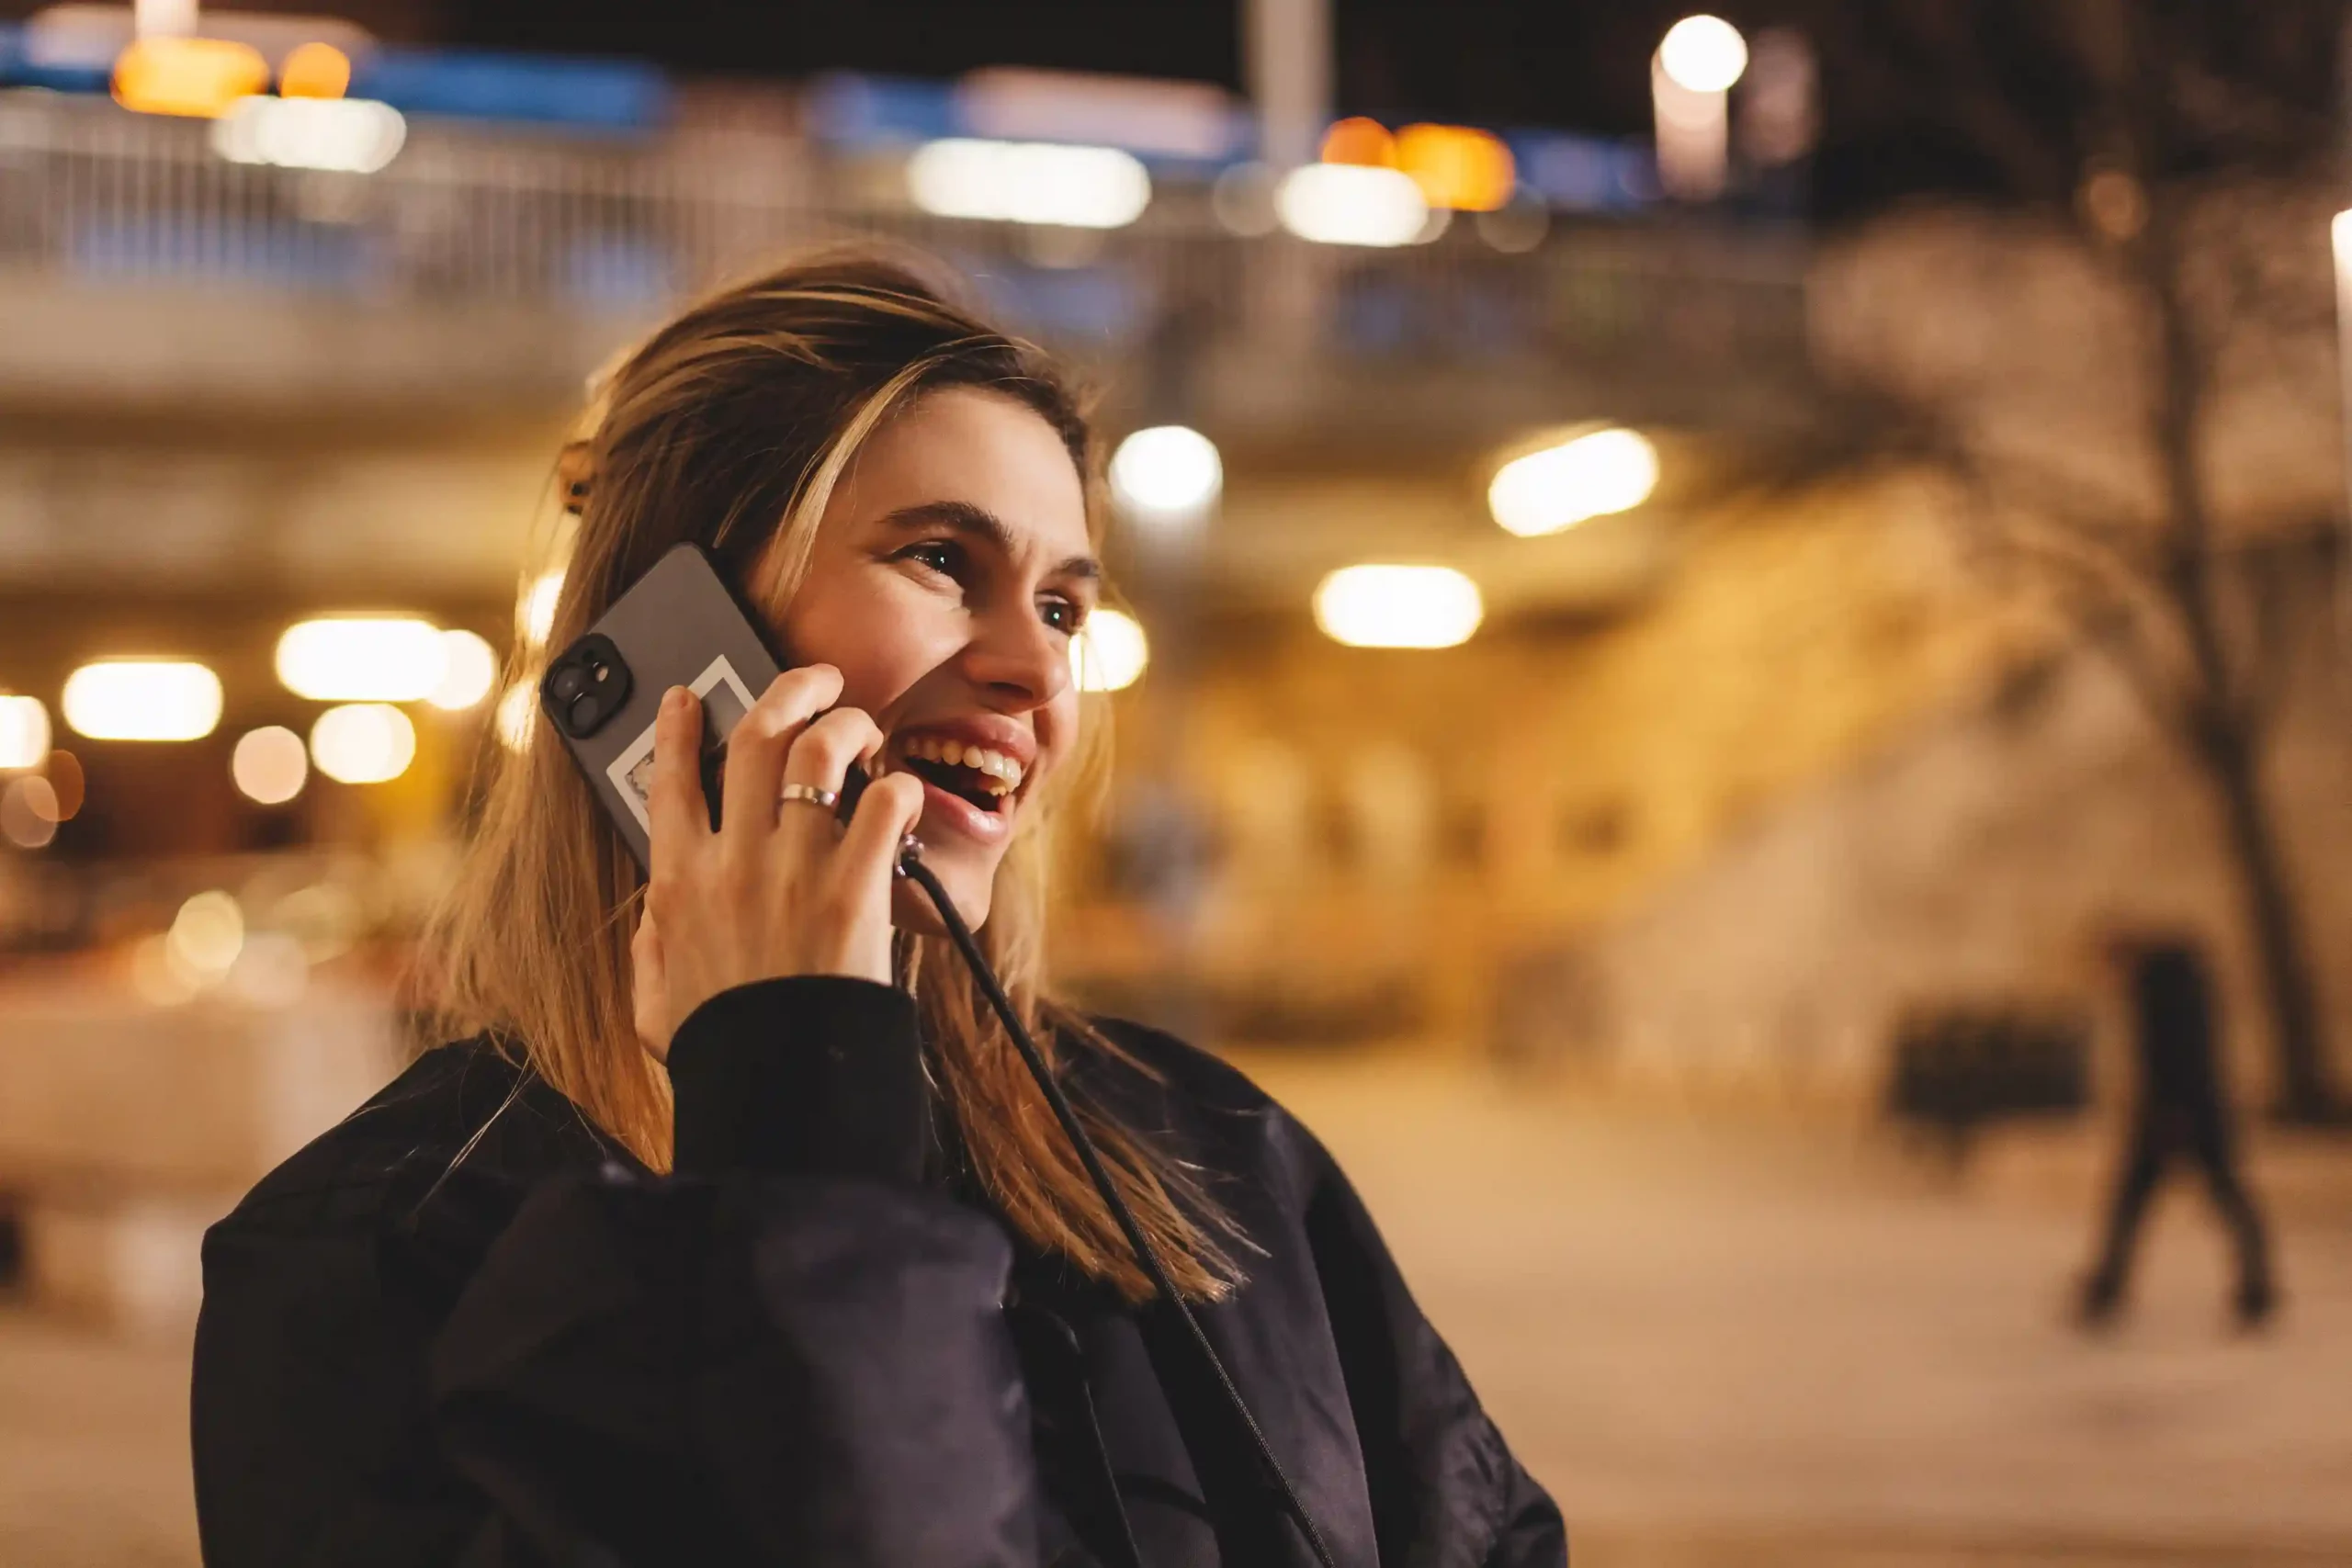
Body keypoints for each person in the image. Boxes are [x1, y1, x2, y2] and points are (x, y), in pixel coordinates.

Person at [190, 248, 1567, 1567]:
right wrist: (795, 1096)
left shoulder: (1219, 1152)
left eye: (1067, 605)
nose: (1037, 668)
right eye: (940, 560)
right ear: (683, 645)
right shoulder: (371, 1251)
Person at [2077, 938, 2277, 1330]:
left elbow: (2174, 1054)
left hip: (2174, 1110)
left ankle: (2108, 1287)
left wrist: (2170, 1110)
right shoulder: (2185, 984)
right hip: (2193, 1107)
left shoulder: (2160, 990)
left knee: (2138, 1201)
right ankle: (2256, 1287)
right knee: (2220, 1196)